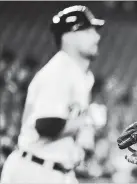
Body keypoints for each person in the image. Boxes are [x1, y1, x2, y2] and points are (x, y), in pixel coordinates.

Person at [0, 5, 104, 184]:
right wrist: (88, 119)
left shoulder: (80, 75)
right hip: (34, 170)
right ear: (69, 37)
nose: (97, 36)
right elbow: (46, 125)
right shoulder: (59, 72)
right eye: (89, 31)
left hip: (56, 171)